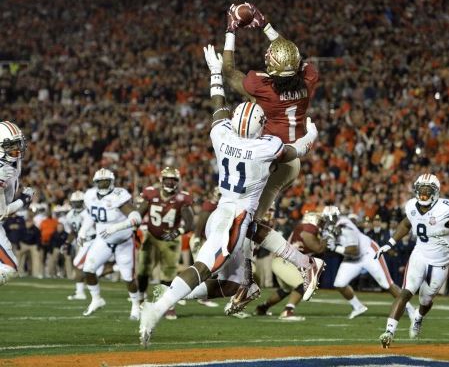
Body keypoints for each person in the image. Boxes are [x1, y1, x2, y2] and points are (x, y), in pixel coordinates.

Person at [139, 44, 322, 346]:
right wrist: (310, 134)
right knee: (204, 268)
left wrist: (214, 72)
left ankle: (170, 292)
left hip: (221, 213)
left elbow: (218, 104)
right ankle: (156, 310)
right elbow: (296, 150)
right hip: (235, 219)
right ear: (260, 126)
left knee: (231, 284)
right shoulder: (265, 147)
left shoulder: (221, 135)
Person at [222, 3, 320, 307]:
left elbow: (228, 71)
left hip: (273, 159)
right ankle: (246, 281)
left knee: (247, 222)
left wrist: (230, 30)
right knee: (248, 221)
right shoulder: (309, 79)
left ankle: (259, 278)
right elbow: (292, 55)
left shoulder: (264, 88)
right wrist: (266, 26)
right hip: (292, 161)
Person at [377, 174, 449, 348]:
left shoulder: (445, 208)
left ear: (436, 192)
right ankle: (389, 332)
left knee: (426, 300)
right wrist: (390, 242)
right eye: (421, 191)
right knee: (406, 292)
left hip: (440, 261)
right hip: (419, 255)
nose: (423, 195)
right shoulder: (411, 206)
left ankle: (418, 317)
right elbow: (406, 223)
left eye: (427, 192)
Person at [323, 206, 415, 320]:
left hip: (369, 253)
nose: (329, 221)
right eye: (327, 218)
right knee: (339, 284)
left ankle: (410, 309)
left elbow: (354, 249)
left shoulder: (346, 225)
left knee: (386, 283)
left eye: (331, 218)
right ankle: (358, 307)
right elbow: (324, 245)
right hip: (352, 258)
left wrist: (335, 248)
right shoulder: (327, 229)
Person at [80, 168, 142, 320]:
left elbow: (136, 218)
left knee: (128, 277)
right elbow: (91, 214)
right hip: (103, 240)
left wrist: (115, 227)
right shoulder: (90, 195)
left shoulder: (119, 195)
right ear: (95, 182)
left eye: (106, 180)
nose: (103, 183)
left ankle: (135, 305)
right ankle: (96, 299)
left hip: (124, 241)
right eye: (100, 181)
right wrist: (82, 230)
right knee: (88, 269)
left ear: (112, 181)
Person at [136, 167, 194, 319]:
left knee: (168, 273)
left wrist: (177, 232)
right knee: (143, 269)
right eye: (167, 179)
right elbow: (139, 214)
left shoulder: (182, 198)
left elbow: (190, 223)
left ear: (178, 182)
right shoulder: (151, 194)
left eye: (173, 179)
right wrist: (133, 228)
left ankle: (168, 305)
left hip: (171, 239)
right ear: (161, 180)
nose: (170, 182)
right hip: (151, 236)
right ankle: (139, 299)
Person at [255, 211, 328, 320]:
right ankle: (287, 311)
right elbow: (317, 248)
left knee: (285, 290)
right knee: (306, 283)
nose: (321, 225)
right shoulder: (308, 227)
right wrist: (327, 238)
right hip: (286, 262)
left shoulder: (305, 228)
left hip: (284, 262)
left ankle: (262, 308)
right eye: (320, 221)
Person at [0, 121, 34, 285]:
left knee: (9, 268)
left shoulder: (9, 164)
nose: (17, 148)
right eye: (11, 145)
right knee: (8, 268)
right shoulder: (2, 170)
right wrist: (24, 200)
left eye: (17, 143)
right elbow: (2, 213)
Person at [64, 191, 97, 300]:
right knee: (86, 267)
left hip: (93, 241)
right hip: (82, 243)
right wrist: (67, 243)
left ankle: (80, 292)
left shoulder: (89, 212)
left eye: (79, 202)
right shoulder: (69, 215)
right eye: (75, 202)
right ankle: (80, 292)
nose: (77, 204)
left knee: (79, 264)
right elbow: (72, 232)